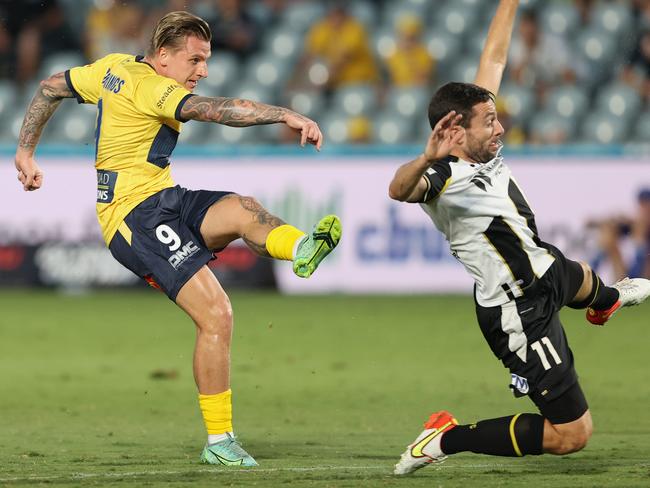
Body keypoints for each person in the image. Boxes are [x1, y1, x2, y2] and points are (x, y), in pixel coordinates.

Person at [14, 11, 341, 467]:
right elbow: (217, 111)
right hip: (133, 218)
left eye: (205, 60)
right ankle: (219, 440)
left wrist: (25, 150)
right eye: (195, 60)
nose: (202, 71)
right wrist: (284, 113)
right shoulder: (154, 87)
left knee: (241, 208)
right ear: (163, 56)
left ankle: (301, 249)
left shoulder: (112, 68)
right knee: (217, 316)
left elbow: (51, 85)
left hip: (164, 196)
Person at [388, 0, 650, 475]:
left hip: (545, 268)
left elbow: (495, 57)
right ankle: (447, 437)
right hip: (518, 311)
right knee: (572, 435)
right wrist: (426, 156)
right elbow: (398, 190)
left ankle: (607, 298)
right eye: (489, 121)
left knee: (584, 279)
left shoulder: (480, 137)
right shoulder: (443, 176)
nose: (500, 126)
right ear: (454, 130)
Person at [592, 188, 650, 281]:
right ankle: (587, 277)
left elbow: (640, 273)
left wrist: (639, 238)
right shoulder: (636, 223)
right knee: (608, 234)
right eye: (642, 206)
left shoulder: (641, 229)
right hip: (628, 279)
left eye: (646, 206)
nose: (643, 211)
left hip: (643, 280)